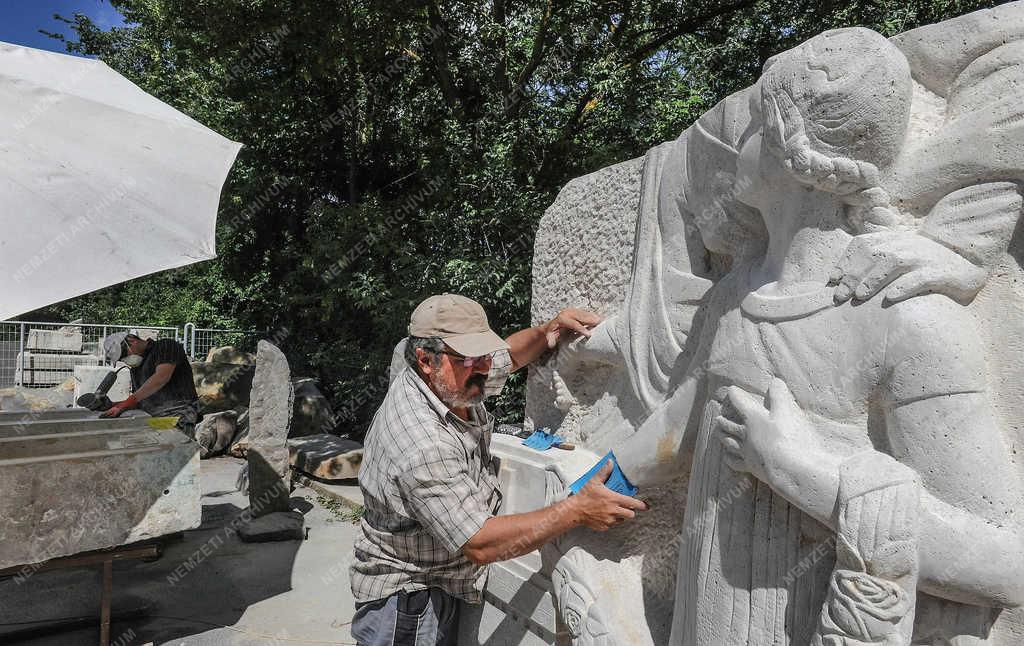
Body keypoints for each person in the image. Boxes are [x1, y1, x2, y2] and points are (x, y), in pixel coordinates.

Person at [349, 294, 649, 646]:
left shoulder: (451, 380)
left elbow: (509, 355)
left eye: (483, 354)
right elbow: (479, 544)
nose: (483, 367)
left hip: (442, 577)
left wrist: (547, 330)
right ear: (425, 360)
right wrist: (577, 510)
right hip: (408, 601)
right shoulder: (421, 442)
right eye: (469, 358)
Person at [100, 331, 201, 436]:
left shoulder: (166, 346)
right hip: (153, 417)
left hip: (179, 413)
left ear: (131, 340)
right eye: (122, 359)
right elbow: (139, 400)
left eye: (124, 355)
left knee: (166, 443)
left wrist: (126, 403)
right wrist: (111, 405)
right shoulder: (136, 369)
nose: (125, 360)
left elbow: (161, 377)